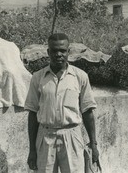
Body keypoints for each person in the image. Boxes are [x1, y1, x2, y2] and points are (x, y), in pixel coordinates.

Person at [25, 33, 99, 173]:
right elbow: (32, 114)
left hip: (72, 137)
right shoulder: (38, 77)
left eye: (62, 51)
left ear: (68, 52)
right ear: (48, 52)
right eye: (54, 50)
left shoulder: (80, 76)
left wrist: (93, 145)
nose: (58, 54)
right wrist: (32, 150)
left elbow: (88, 112)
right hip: (45, 137)